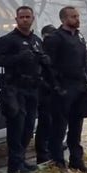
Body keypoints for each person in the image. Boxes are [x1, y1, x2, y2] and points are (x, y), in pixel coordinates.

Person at [0, 6, 47, 173]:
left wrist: (45, 60)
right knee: (17, 126)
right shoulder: (7, 40)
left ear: (32, 18)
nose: (25, 20)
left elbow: (41, 59)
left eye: (27, 17)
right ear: (16, 19)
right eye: (21, 17)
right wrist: (17, 58)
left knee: (29, 127)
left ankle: (21, 159)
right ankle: (15, 164)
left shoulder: (36, 40)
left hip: (32, 88)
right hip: (15, 88)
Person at [42, 6, 87, 173]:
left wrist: (86, 82)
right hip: (63, 88)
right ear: (63, 19)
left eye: (77, 16)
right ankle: (57, 160)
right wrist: (56, 86)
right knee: (59, 127)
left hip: (79, 87)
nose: (77, 19)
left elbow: (83, 62)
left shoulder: (78, 37)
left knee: (76, 126)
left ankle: (76, 160)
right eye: (73, 17)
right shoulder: (55, 38)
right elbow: (48, 66)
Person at [33, 24, 58, 164]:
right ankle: (42, 153)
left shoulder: (55, 50)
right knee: (45, 122)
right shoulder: (41, 50)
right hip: (45, 91)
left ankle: (49, 149)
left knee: (53, 122)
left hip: (53, 90)